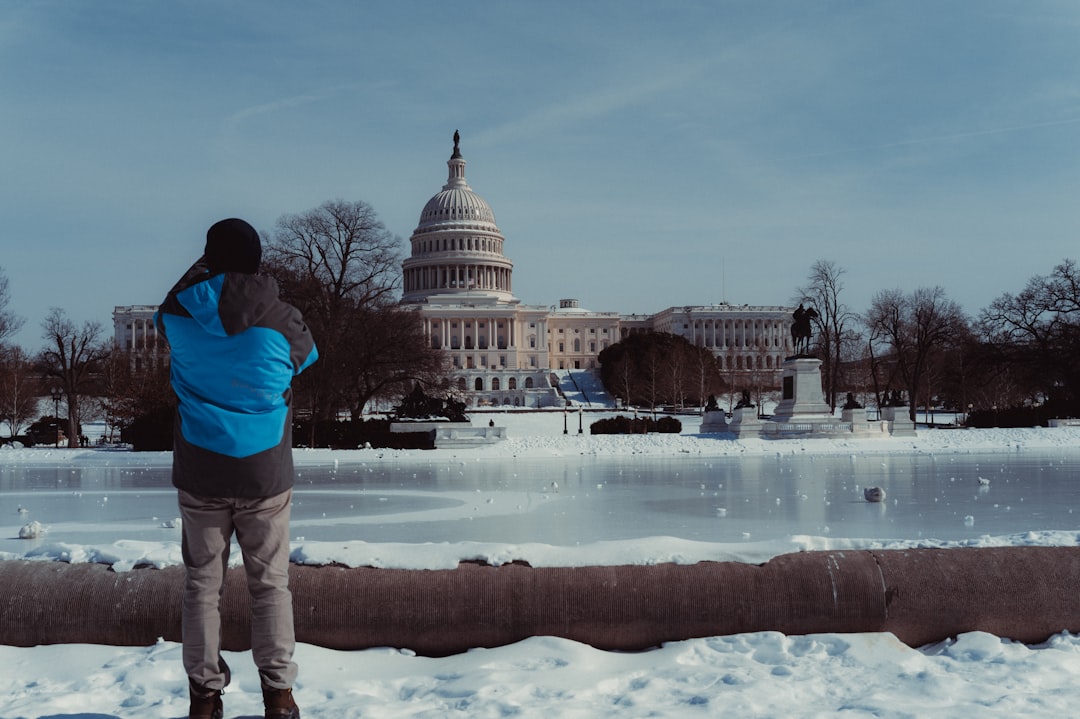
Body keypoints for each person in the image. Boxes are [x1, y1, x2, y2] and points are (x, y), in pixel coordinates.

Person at [156, 218, 318, 719]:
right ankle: (279, 695)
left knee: (201, 586)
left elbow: (173, 301)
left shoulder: (178, 316)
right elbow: (307, 359)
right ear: (257, 260)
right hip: (263, 471)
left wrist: (202, 271)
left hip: (201, 469)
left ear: (208, 259)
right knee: (270, 585)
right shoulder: (283, 318)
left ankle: (204, 699)